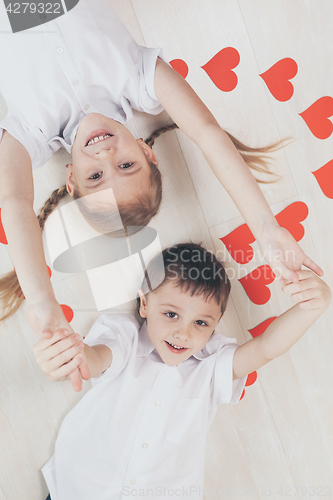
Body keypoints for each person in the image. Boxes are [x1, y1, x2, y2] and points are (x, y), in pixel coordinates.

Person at [0, 0, 323, 390]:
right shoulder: (139, 80)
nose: (105, 154)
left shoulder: (31, 132)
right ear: (147, 151)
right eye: (127, 166)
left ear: (71, 180)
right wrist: (267, 231)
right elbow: (206, 132)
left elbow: (15, 202)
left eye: (96, 175)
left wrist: (42, 302)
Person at [33, 243, 331, 500]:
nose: (183, 333)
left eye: (200, 323)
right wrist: (71, 352)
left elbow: (265, 347)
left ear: (216, 323)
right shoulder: (125, 338)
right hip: (80, 490)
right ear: (145, 304)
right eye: (171, 314)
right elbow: (96, 359)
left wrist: (312, 306)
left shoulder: (211, 370)